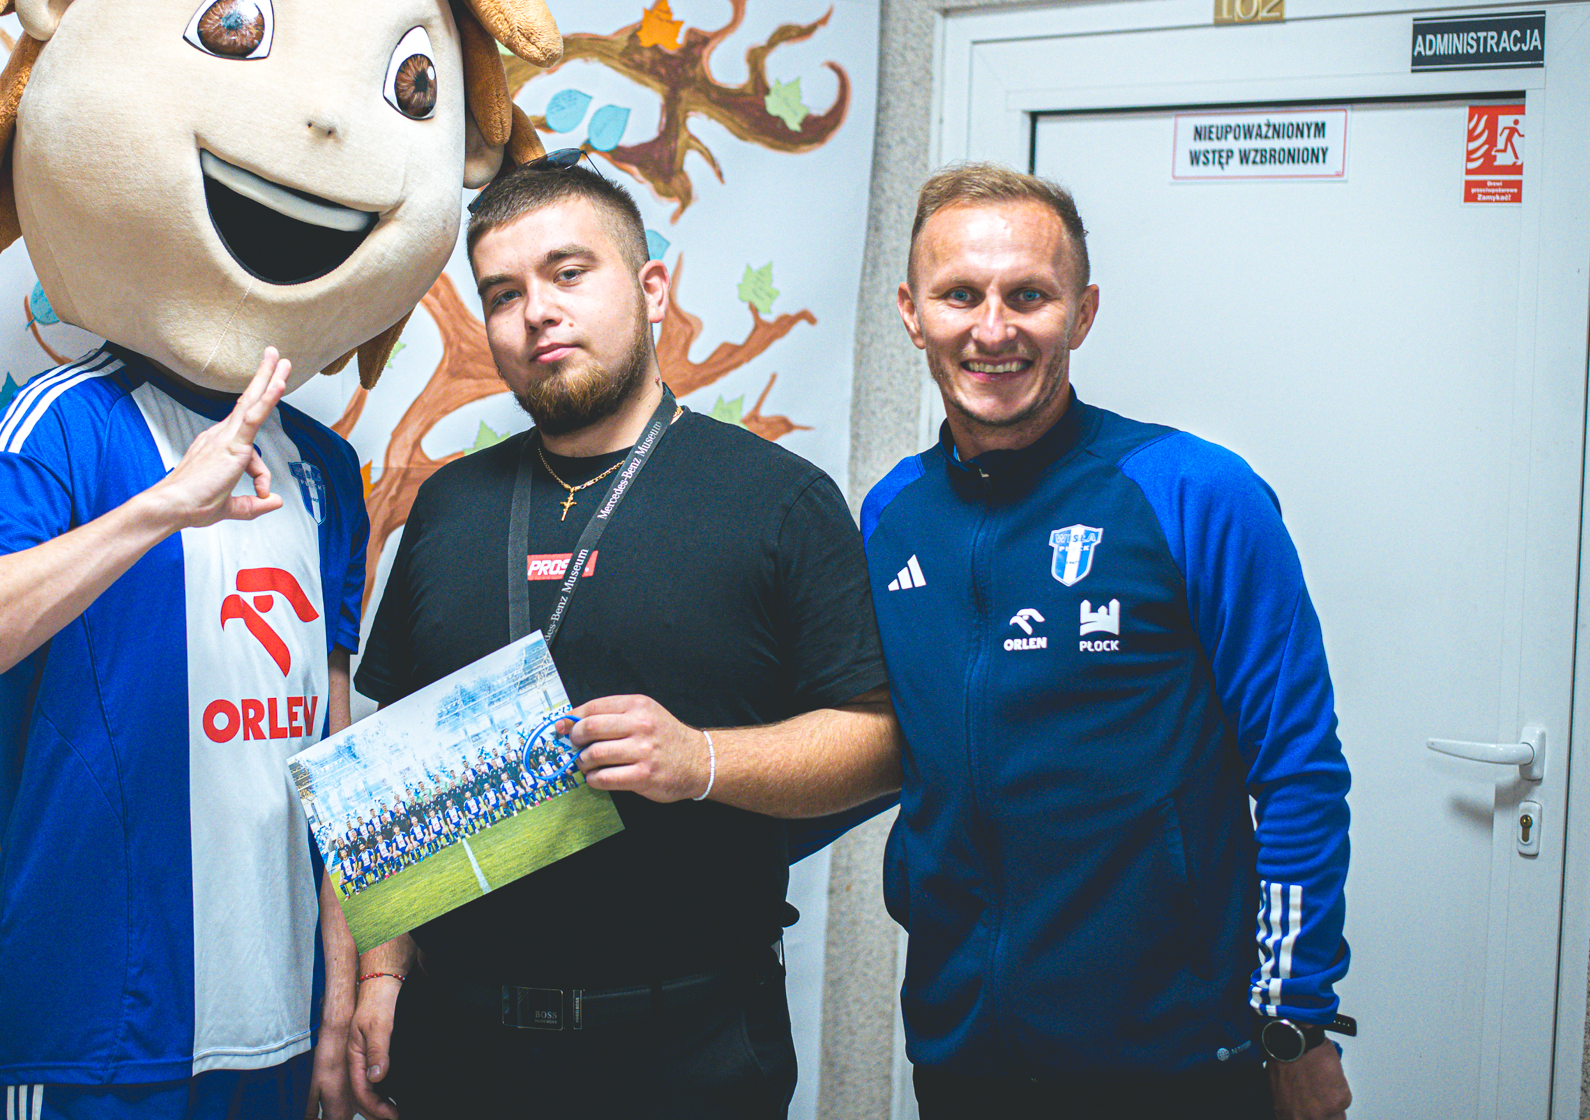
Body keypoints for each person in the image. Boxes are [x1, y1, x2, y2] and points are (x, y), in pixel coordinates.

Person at [0, 0, 562, 1118]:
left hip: (278, 1028)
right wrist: (162, 508)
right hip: (100, 1034)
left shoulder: (328, 471)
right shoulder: (70, 421)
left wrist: (346, 989)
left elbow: (333, 745)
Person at [345, 157, 901, 1120]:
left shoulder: (778, 500)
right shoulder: (447, 507)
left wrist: (701, 760)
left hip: (688, 1050)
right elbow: (396, 764)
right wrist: (382, 973)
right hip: (459, 1046)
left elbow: (882, 744)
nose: (538, 312)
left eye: (569, 273)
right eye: (505, 293)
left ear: (650, 290)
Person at [863, 162, 1354, 1120]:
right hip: (964, 1054)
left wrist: (1296, 1017)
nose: (993, 329)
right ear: (913, 314)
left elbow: (1298, 769)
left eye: (1029, 296)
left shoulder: (1192, 491)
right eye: (959, 295)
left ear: (1082, 314)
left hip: (1174, 1057)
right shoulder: (892, 514)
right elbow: (896, 743)